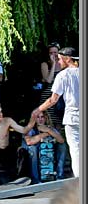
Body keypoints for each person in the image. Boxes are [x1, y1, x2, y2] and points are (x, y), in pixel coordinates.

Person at [32, 47, 80, 178]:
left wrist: (38, 110)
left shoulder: (63, 75)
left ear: (67, 58)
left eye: (59, 59)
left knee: (76, 151)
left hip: (73, 117)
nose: (58, 62)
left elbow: (53, 100)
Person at [0, 102, 36, 187]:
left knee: (22, 151)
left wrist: (33, 119)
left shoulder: (7, 120)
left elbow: (23, 130)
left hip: (6, 151)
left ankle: (21, 180)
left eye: (1, 111)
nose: (1, 114)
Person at [22, 110, 67, 184]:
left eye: (42, 117)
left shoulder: (49, 128)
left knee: (62, 146)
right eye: (38, 117)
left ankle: (59, 176)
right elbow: (29, 141)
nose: (40, 119)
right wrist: (45, 134)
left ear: (46, 118)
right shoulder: (30, 128)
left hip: (49, 156)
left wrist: (49, 130)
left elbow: (61, 140)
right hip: (34, 156)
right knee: (32, 148)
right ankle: (35, 179)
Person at [39, 42, 64, 130]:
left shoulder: (63, 64)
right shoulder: (45, 64)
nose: (53, 55)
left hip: (59, 95)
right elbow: (48, 80)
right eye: (51, 53)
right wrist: (53, 64)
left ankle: (59, 138)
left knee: (58, 120)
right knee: (48, 118)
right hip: (48, 94)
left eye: (55, 52)